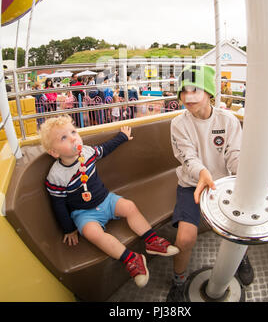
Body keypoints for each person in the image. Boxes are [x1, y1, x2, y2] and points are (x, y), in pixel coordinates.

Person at [166, 64, 268, 302]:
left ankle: (239, 256)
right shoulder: (178, 124)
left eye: (195, 89)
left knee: (239, 229)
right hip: (192, 184)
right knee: (184, 238)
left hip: (224, 184)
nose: (188, 96)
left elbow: (236, 157)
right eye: (183, 90)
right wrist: (202, 172)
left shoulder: (228, 120)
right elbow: (187, 156)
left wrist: (260, 176)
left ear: (210, 92)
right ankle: (178, 282)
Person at [41, 115, 179, 287]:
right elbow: (58, 204)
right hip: (84, 213)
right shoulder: (56, 176)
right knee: (92, 233)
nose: (73, 138)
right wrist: (69, 229)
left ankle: (152, 240)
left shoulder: (87, 151)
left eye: (73, 131)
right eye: (64, 137)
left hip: (106, 200)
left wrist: (122, 137)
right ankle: (132, 259)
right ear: (54, 152)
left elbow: (104, 149)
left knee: (129, 206)